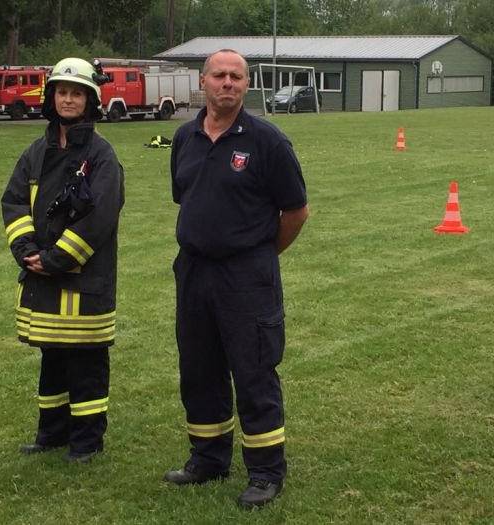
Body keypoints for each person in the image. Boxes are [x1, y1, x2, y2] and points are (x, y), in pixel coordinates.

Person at [164, 49, 309, 508]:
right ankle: (208, 459)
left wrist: (260, 254)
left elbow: (296, 211)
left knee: (254, 371)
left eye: (237, 77)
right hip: (193, 272)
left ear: (246, 86)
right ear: (203, 81)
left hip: (246, 276)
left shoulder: (268, 141)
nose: (228, 83)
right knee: (199, 368)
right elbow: (183, 198)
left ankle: (266, 471)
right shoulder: (185, 138)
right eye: (220, 75)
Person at [0, 57, 124, 464]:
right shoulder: (35, 152)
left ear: (91, 101)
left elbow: (100, 218)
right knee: (51, 355)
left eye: (77, 93)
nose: (68, 100)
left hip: (83, 280)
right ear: (50, 97)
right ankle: (51, 433)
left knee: (86, 360)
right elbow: (14, 201)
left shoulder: (102, 156)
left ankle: (87, 441)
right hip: (43, 274)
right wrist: (28, 251)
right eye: (62, 92)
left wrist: (55, 258)